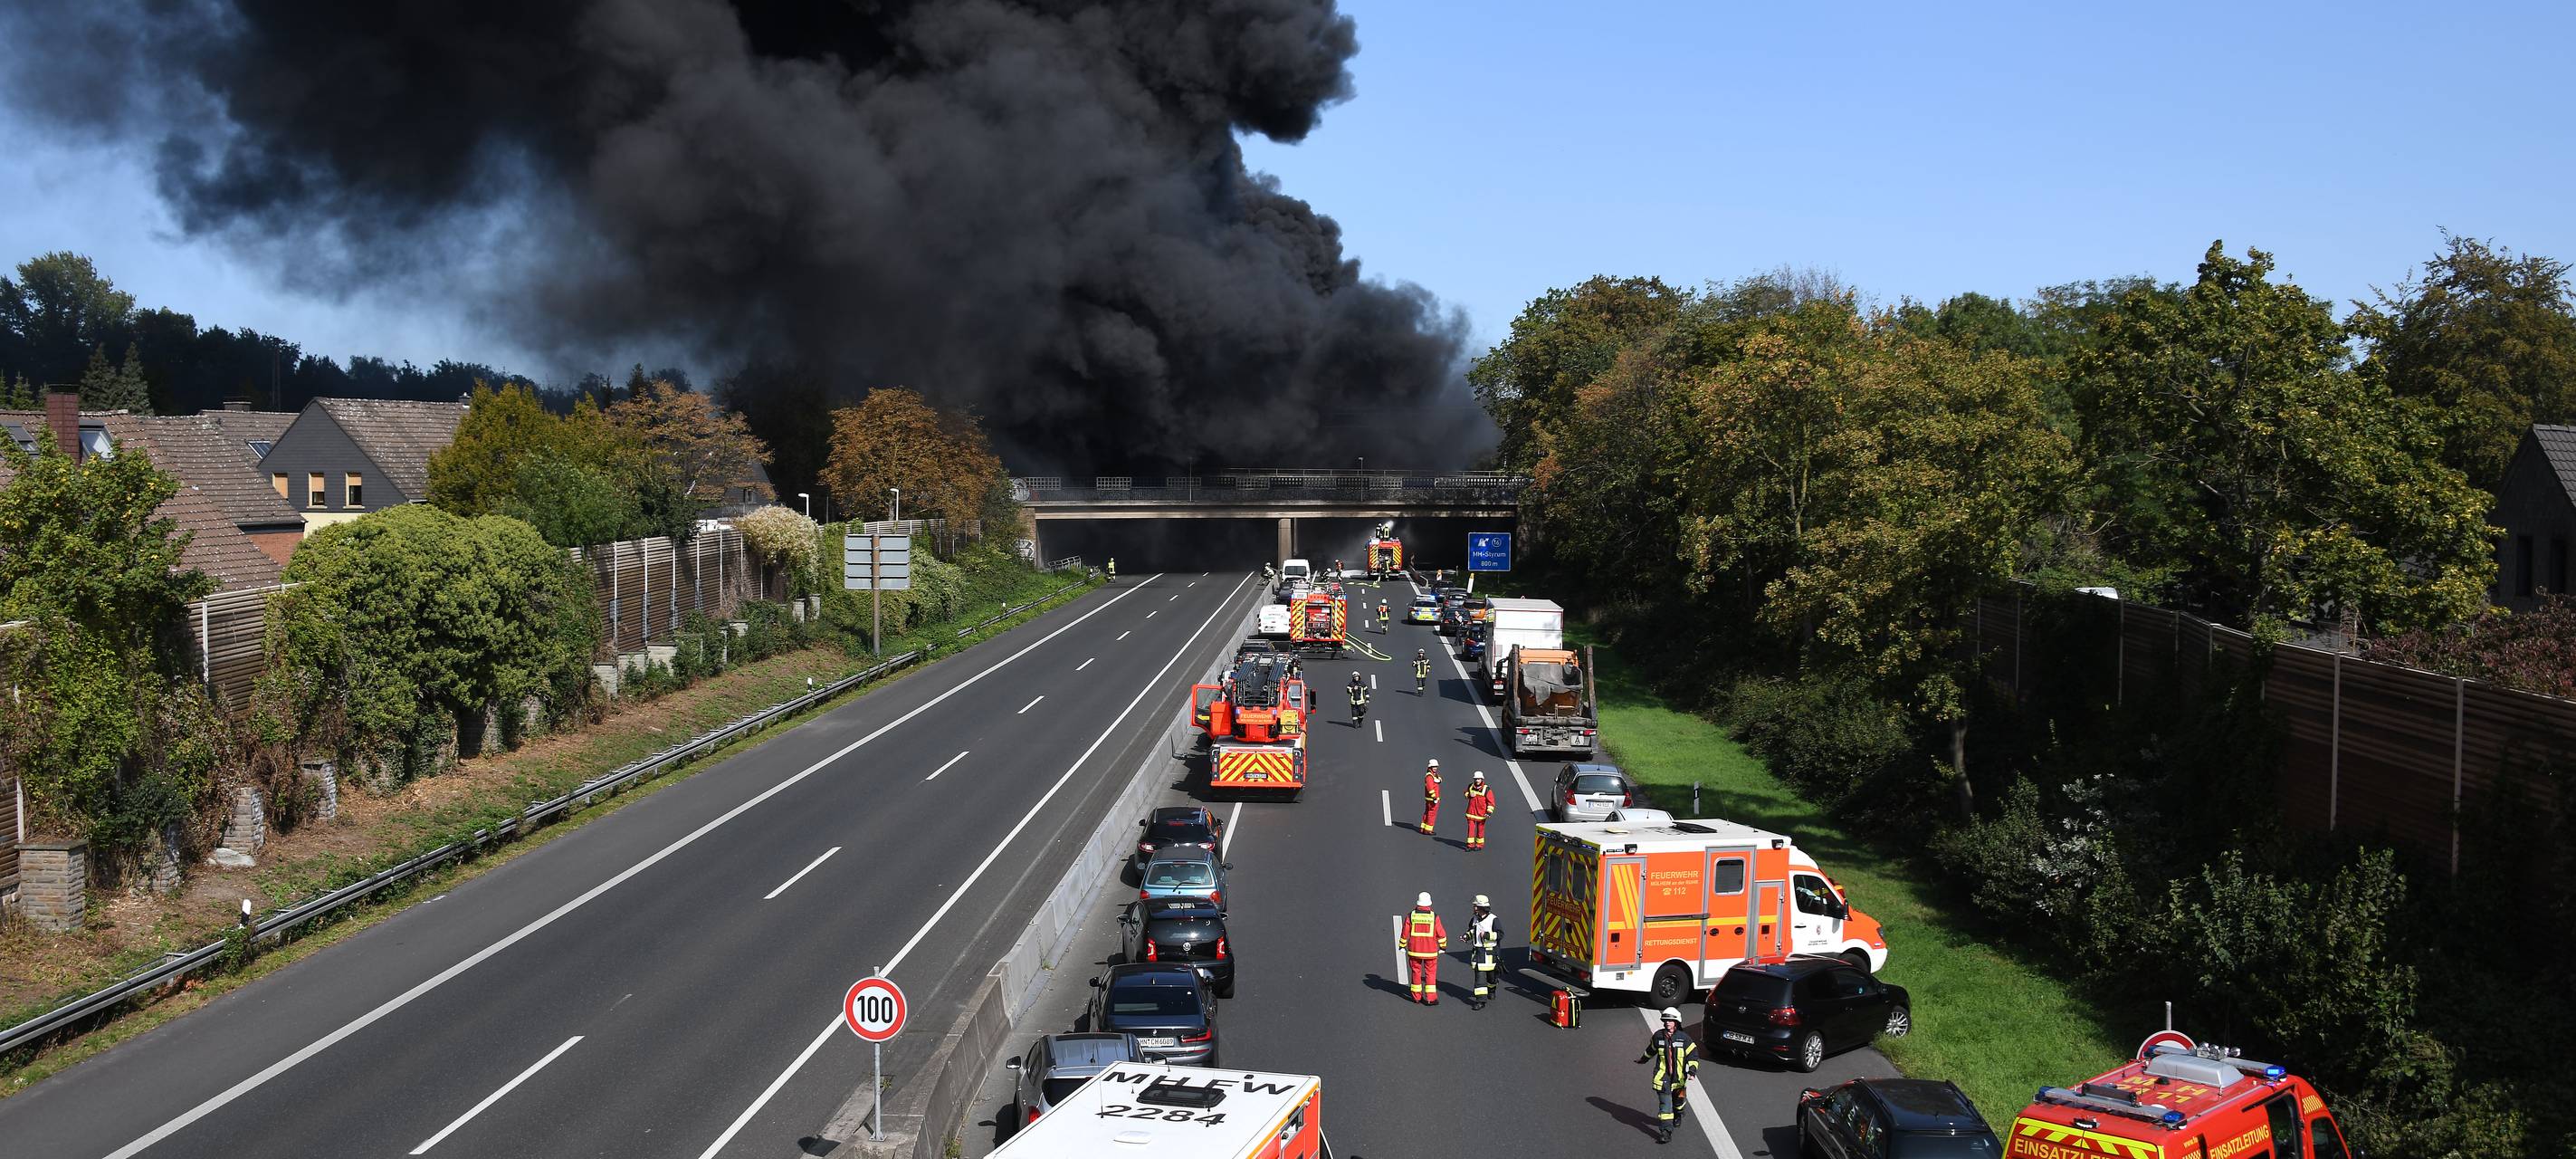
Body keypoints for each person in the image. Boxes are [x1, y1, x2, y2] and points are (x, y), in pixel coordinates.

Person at [1638, 1007, 1700, 1144]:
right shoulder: (1658, 1036)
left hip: (1679, 1079)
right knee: (1665, 1107)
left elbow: (1693, 1055)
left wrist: (1692, 1072)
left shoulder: (1684, 1038)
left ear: (1676, 1022)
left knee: (1678, 1103)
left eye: (1670, 1020)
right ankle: (1666, 1132)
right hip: (1662, 1078)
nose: (1667, 1023)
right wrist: (1643, 1059)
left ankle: (1678, 1114)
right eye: (1665, 1020)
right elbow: (1651, 1050)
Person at [1398, 891, 1447, 1004]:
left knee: (1416, 972)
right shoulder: (1434, 916)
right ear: (1429, 904)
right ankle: (1431, 998)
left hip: (1414, 950)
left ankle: (1416, 997)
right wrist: (1443, 947)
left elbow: (1405, 932)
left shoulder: (1411, 915)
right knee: (1430, 973)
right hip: (1430, 952)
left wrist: (1402, 946)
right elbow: (1441, 933)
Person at [1467, 896, 1503, 1010]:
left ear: (1480, 907)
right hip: (1478, 954)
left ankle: (1492, 989)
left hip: (1490, 954)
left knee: (1491, 977)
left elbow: (1500, 934)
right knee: (1480, 978)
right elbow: (1471, 931)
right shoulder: (1474, 919)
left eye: (1475, 905)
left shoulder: (1493, 919)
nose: (1473, 907)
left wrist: (1487, 935)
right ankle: (1480, 1001)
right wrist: (1466, 936)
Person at [1463, 773, 1496, 850]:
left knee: (1480, 829)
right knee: (1471, 828)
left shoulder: (1486, 789)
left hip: (1481, 814)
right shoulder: (1470, 786)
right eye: (1476, 779)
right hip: (1471, 812)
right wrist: (1469, 795)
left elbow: (1491, 802)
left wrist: (1489, 812)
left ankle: (1479, 845)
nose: (1477, 780)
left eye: (1479, 779)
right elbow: (1465, 793)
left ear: (1482, 779)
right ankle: (1470, 845)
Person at [1419, 759, 1442, 835]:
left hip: (1430, 798)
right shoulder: (1429, 776)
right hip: (1433, 799)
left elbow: (1439, 780)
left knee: (1427, 812)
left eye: (1436, 766)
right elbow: (1430, 787)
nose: (1435, 768)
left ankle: (1423, 828)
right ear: (1430, 767)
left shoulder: (1433, 775)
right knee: (1432, 813)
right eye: (1433, 767)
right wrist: (1434, 796)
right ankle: (1428, 830)